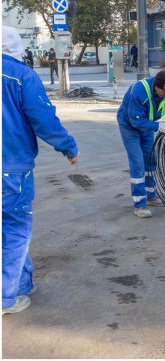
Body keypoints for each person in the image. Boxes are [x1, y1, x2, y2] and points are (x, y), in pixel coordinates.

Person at [2, 27, 79, 315]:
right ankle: (6, 298)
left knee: (6, 230)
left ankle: (21, 284)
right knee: (14, 228)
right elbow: (43, 119)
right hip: (10, 168)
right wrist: (69, 148)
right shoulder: (20, 75)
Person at [116, 69, 165, 217]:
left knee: (151, 159)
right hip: (130, 126)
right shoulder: (139, 91)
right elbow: (136, 121)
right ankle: (140, 204)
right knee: (138, 162)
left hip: (147, 125)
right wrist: (159, 127)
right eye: (164, 91)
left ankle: (151, 196)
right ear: (156, 86)